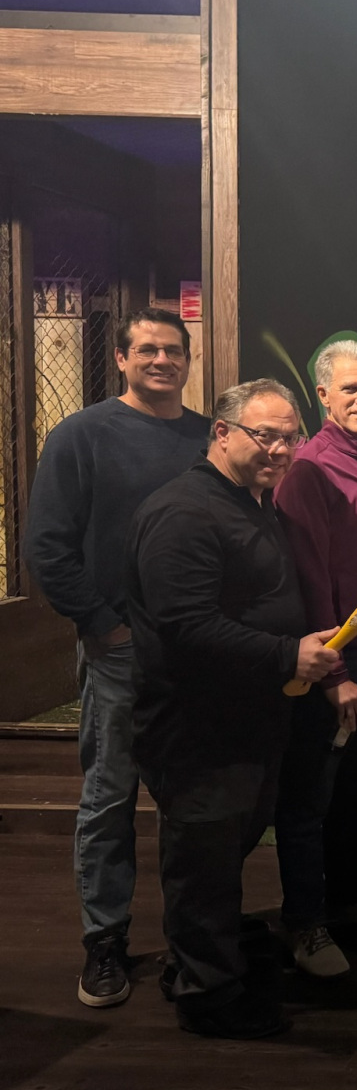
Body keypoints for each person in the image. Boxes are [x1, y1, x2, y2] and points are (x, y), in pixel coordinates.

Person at [126, 379, 340, 1039]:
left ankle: (199, 965)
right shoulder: (185, 512)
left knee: (222, 853)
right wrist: (287, 654)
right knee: (203, 863)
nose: (280, 450)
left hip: (249, 720)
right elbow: (185, 625)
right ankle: (209, 999)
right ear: (221, 432)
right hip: (197, 728)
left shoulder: (251, 503)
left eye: (289, 438)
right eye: (264, 435)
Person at [24, 305, 212, 1009]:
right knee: (109, 800)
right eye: (148, 350)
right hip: (120, 656)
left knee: (194, 804)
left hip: (198, 657)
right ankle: (103, 941)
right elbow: (48, 546)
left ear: (189, 359)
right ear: (123, 358)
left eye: (173, 350)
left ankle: (192, 942)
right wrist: (103, 625)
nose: (162, 360)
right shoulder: (82, 434)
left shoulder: (209, 436)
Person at [272, 339, 357, 978]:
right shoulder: (310, 469)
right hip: (336, 665)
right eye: (349, 388)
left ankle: (347, 898)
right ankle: (305, 922)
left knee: (355, 789)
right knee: (312, 798)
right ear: (322, 394)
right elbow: (309, 579)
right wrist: (337, 673)